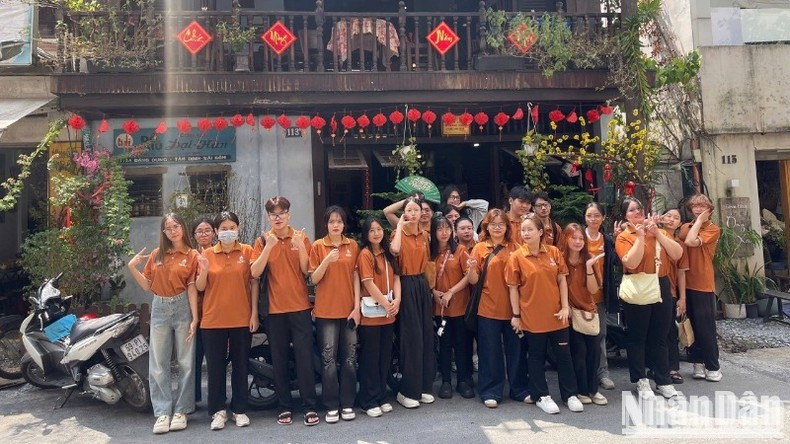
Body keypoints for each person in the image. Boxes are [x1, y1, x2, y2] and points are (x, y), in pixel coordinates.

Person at [250, 196, 319, 426]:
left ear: (289, 214)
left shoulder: (300, 237)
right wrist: (268, 247)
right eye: (273, 214)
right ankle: (284, 406)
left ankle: (309, 405)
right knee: (278, 359)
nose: (278, 217)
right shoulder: (263, 240)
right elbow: (254, 272)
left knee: (304, 357)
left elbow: (307, 270)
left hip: (300, 307)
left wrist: (300, 246)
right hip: (274, 310)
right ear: (268, 217)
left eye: (282, 213)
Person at [128, 213, 199, 434]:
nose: (173, 231)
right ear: (164, 232)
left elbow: (192, 287)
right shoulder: (157, 254)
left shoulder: (192, 255)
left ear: (183, 228)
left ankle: (182, 410)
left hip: (183, 307)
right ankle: (162, 412)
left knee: (186, 362)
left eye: (176, 226)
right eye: (168, 228)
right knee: (158, 362)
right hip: (159, 306)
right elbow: (147, 286)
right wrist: (132, 268)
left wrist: (195, 317)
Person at [505, 214, 583, 414]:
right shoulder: (517, 257)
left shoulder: (553, 252)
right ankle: (541, 395)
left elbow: (562, 280)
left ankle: (570, 395)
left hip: (557, 315)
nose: (526, 233)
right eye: (523, 230)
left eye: (530, 229)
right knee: (536, 357)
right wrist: (516, 315)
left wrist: (565, 307)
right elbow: (513, 289)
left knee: (564, 355)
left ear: (540, 232)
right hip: (532, 316)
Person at [195, 211, 259, 430]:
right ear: (216, 232)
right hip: (213, 320)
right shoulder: (207, 254)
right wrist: (203, 270)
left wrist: (254, 313)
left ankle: (240, 409)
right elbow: (200, 287)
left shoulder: (247, 251)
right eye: (223, 228)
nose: (228, 232)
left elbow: (254, 283)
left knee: (241, 366)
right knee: (215, 368)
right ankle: (218, 411)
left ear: (238, 229)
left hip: (241, 318)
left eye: (232, 227)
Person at [615, 198, 682, 400]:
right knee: (638, 336)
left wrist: (657, 233)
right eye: (632, 210)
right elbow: (631, 263)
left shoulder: (657, 231)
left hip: (660, 283)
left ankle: (663, 379)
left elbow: (677, 254)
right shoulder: (624, 237)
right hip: (638, 284)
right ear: (625, 216)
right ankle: (640, 379)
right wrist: (640, 237)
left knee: (660, 335)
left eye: (639, 208)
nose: (637, 212)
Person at [468, 209, 527, 409]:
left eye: (501, 224)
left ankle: (519, 389)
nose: (497, 228)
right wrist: (471, 268)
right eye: (493, 224)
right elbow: (473, 280)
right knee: (489, 351)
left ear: (507, 227)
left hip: (513, 308)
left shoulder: (516, 247)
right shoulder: (479, 248)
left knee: (517, 350)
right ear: (486, 227)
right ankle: (490, 390)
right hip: (488, 307)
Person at [308, 206, 361, 423]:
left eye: (339, 221)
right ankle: (331, 405)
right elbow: (314, 278)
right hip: (326, 312)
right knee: (328, 359)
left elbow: (356, 277)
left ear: (344, 224)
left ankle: (347, 403)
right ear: (326, 224)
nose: (335, 225)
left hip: (348, 310)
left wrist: (357, 307)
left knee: (349, 359)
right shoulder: (318, 246)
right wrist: (327, 260)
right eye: (331, 221)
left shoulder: (352, 245)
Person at [389, 195, 436, 408]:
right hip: (405, 284)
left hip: (422, 285)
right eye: (409, 210)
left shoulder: (424, 235)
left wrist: (430, 289)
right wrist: (400, 225)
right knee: (411, 337)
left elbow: (428, 263)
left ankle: (423, 387)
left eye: (417, 209)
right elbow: (395, 251)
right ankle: (406, 390)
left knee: (426, 336)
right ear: (404, 213)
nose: (414, 213)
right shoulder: (398, 233)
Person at [357, 217, 401, 418]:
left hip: (388, 314)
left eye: (379, 229)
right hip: (372, 316)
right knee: (370, 358)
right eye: (371, 230)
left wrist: (397, 301)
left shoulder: (387, 253)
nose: (376, 233)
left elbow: (396, 278)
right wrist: (386, 303)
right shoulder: (365, 254)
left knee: (384, 357)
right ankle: (368, 400)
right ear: (366, 234)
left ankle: (381, 396)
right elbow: (368, 283)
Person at [561, 223, 608, 407]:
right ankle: (581, 390)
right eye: (573, 237)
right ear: (566, 238)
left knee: (594, 351)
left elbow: (593, 289)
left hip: (588, 312)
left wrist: (589, 267)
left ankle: (593, 389)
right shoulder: (559, 258)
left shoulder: (589, 259)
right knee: (578, 352)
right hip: (569, 313)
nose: (578, 241)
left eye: (581, 238)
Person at [430, 215, 474, 400]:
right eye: (440, 229)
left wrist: (450, 292)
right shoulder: (430, 252)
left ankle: (463, 381)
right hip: (440, 308)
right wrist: (434, 292)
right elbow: (426, 276)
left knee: (462, 344)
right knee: (445, 345)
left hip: (460, 305)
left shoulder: (460, 250)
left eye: (447, 228)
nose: (444, 232)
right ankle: (446, 381)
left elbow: (468, 277)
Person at [679, 194, 722, 382]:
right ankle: (697, 363)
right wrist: (696, 222)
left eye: (702, 206)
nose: (698, 209)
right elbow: (686, 237)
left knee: (706, 327)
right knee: (690, 324)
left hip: (703, 283)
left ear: (709, 209)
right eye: (695, 206)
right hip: (684, 282)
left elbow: (691, 241)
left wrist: (699, 221)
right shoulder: (685, 227)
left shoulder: (713, 229)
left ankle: (713, 366)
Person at [583, 202, 618, 391]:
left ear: (603, 218)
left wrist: (618, 239)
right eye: (589, 215)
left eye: (596, 215)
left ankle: (602, 373)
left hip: (600, 295)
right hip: (580, 296)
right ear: (584, 218)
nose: (593, 219)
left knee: (600, 334)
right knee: (580, 335)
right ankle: (584, 373)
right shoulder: (578, 237)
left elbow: (617, 262)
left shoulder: (607, 240)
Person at [662, 208, 689, 384]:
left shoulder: (679, 244)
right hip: (650, 290)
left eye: (676, 218)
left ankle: (672, 368)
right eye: (668, 216)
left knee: (670, 330)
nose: (672, 219)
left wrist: (682, 297)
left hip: (670, 290)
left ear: (680, 223)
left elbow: (681, 272)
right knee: (655, 331)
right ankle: (656, 366)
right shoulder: (652, 235)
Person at [191, 216, 215, 407]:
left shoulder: (218, 253)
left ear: (214, 233)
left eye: (207, 230)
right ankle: (193, 397)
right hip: (196, 313)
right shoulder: (191, 256)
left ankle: (216, 398)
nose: (204, 234)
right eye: (199, 231)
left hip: (216, 312)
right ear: (194, 235)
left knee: (216, 359)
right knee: (194, 357)